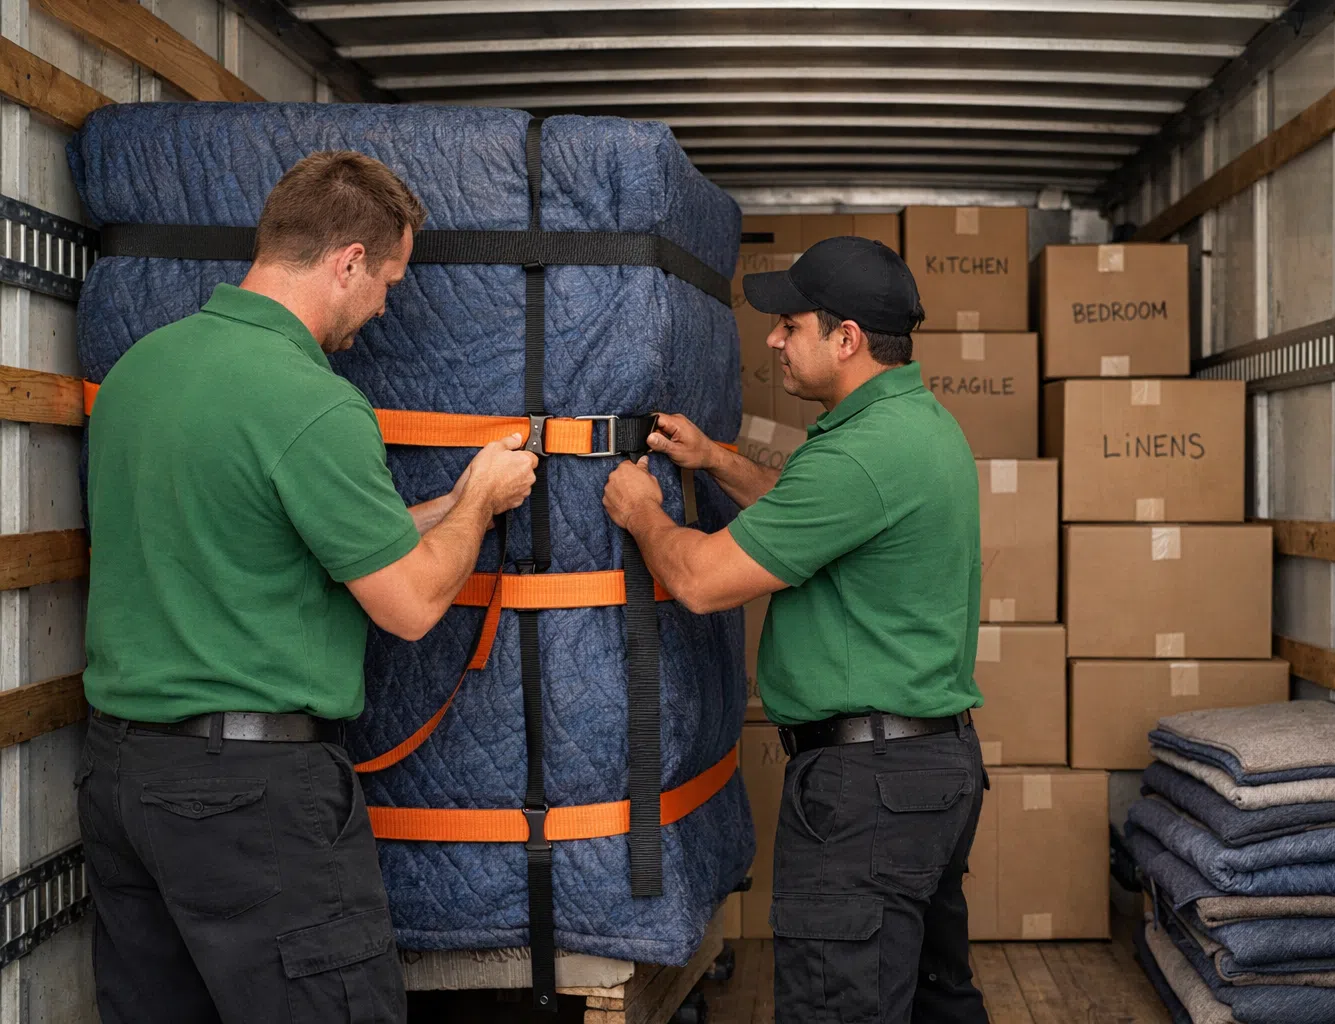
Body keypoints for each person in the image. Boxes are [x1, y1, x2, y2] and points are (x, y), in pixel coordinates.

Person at [78, 151, 538, 1024]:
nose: (385, 303)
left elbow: (274, 534)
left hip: (123, 779)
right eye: (390, 280)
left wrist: (442, 508)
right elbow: (408, 606)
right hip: (252, 798)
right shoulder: (313, 403)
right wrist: (479, 500)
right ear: (349, 261)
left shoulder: (144, 370)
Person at [602, 236, 989, 1023]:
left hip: (868, 796)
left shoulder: (862, 456)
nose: (773, 339)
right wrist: (717, 460)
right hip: (926, 769)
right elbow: (816, 515)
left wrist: (642, 514)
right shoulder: (912, 424)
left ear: (845, 339)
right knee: (934, 1005)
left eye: (792, 323)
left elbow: (703, 583)